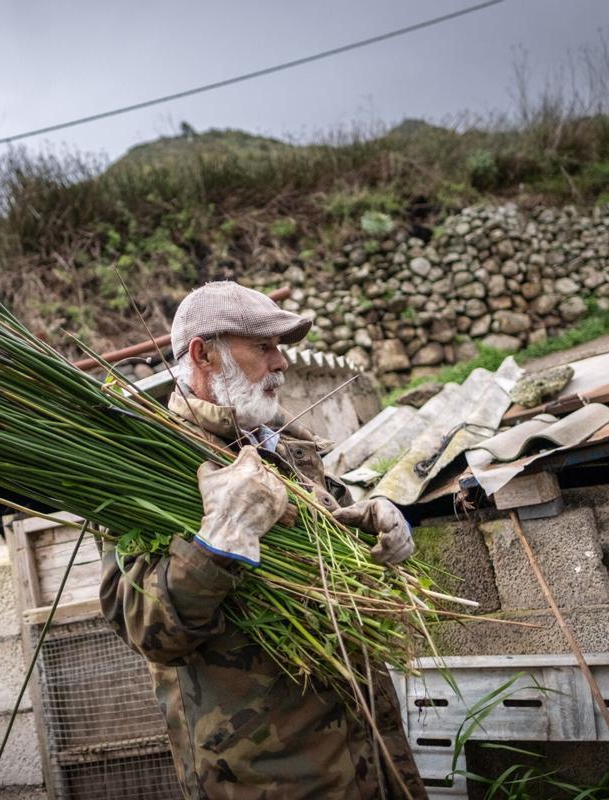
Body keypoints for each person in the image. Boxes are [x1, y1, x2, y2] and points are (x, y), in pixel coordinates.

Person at [99, 281, 429, 799]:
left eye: (280, 347)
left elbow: (319, 543)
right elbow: (148, 629)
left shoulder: (284, 443)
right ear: (203, 354)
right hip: (270, 775)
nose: (282, 363)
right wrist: (218, 540)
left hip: (367, 746)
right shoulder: (149, 462)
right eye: (264, 347)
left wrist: (372, 521)